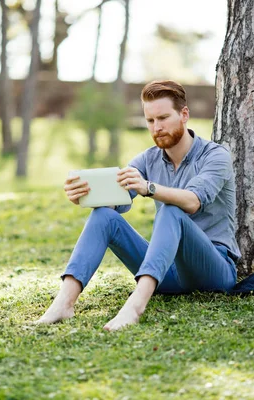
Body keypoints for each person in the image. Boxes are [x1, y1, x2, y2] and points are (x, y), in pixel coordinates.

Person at [36, 80, 241, 331]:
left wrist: (149, 188)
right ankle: (64, 303)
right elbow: (115, 203)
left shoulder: (215, 155)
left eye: (164, 118)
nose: (157, 127)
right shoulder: (147, 159)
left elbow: (193, 201)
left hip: (214, 270)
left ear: (184, 114)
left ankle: (134, 307)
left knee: (171, 209)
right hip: (167, 273)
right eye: (150, 121)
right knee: (102, 216)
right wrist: (85, 195)